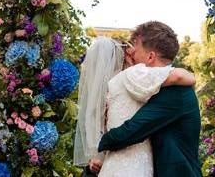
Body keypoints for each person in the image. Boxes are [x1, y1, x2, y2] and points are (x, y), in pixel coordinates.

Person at [74, 28, 196, 176]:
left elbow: (130, 131)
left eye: (135, 49)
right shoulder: (137, 85)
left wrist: (99, 145)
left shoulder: (175, 91)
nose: (131, 53)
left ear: (150, 57)